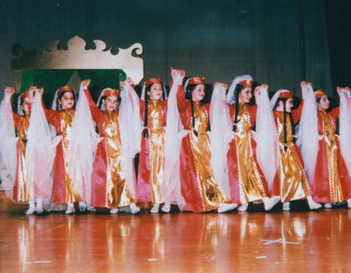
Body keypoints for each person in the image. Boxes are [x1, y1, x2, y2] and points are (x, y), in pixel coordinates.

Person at [168, 69, 237, 213]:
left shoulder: (206, 108)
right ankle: (202, 203)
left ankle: (216, 201)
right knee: (193, 174)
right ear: (190, 91)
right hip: (189, 144)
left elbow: (220, 107)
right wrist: (178, 81)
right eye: (199, 90)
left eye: (204, 91)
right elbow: (177, 98)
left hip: (203, 143)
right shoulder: (185, 106)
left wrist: (220, 91)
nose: (202, 93)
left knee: (208, 172)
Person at [211, 75, 280, 212]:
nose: (249, 96)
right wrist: (220, 91)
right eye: (246, 92)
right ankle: (239, 200)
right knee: (235, 172)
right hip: (234, 145)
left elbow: (262, 110)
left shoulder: (251, 109)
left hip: (248, 144)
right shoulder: (230, 108)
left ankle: (264, 199)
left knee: (253, 171)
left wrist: (259, 94)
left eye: (250, 92)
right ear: (238, 92)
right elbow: (220, 107)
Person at [297, 82, 351, 209]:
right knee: (323, 174)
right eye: (324, 100)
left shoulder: (332, 114)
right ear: (316, 103)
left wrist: (344, 96)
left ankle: (348, 198)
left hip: (334, 147)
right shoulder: (314, 117)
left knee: (341, 171)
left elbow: (346, 110)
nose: (327, 102)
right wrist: (305, 91)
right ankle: (326, 199)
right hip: (323, 150)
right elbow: (305, 111)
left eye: (327, 99)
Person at [80, 79, 140, 214]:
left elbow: (131, 105)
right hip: (104, 149)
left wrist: (129, 88)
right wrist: (85, 90)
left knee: (124, 175)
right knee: (109, 176)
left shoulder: (120, 114)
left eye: (115, 101)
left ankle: (131, 203)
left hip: (120, 148)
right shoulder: (99, 115)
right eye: (109, 101)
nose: (112, 104)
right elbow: (90, 105)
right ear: (103, 101)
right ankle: (113, 203)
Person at [0, 86, 54, 215]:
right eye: (25, 104)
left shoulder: (39, 119)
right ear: (22, 107)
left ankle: (39, 204)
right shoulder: (19, 120)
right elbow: (7, 113)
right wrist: (7, 97)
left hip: (37, 152)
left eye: (31, 103)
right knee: (26, 177)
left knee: (39, 176)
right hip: (23, 151)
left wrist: (35, 95)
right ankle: (31, 204)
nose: (28, 106)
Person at [270, 89, 321, 211]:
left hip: (291, 150)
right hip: (279, 151)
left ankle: (310, 200)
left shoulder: (291, 116)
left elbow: (302, 108)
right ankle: (286, 201)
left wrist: (305, 92)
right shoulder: (272, 116)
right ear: (280, 103)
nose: (292, 105)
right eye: (290, 102)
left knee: (300, 174)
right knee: (283, 176)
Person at [40, 86, 87, 214]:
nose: (69, 101)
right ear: (59, 101)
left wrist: (84, 90)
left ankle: (82, 200)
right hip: (63, 149)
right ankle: (70, 203)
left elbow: (88, 110)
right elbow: (42, 111)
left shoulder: (78, 113)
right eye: (65, 98)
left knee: (79, 173)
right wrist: (38, 97)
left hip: (77, 147)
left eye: (71, 98)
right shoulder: (56, 115)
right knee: (66, 174)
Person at [133, 76, 171, 213]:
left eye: (160, 89)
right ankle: (155, 201)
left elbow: (176, 99)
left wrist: (175, 81)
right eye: (155, 89)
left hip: (163, 140)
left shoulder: (165, 105)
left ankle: (166, 199)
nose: (158, 91)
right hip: (149, 141)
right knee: (152, 171)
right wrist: (130, 86)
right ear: (148, 92)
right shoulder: (143, 105)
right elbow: (132, 99)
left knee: (165, 170)